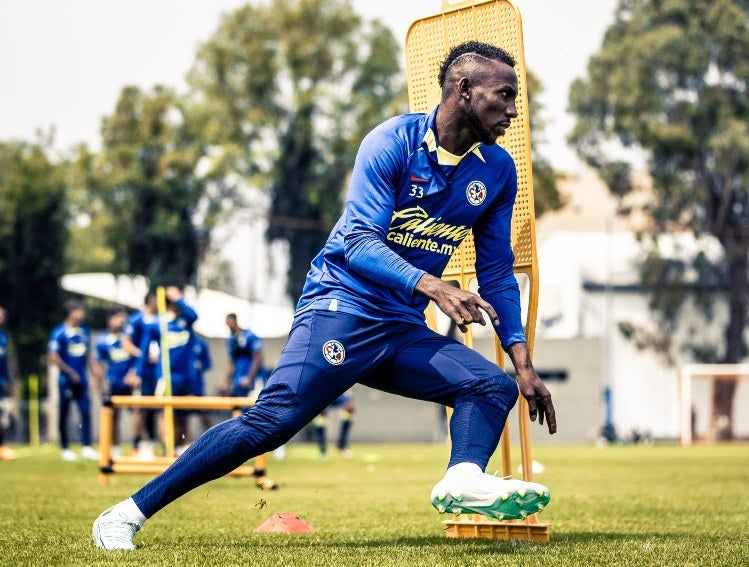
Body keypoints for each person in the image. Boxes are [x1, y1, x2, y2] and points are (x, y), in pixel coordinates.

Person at [93, 41, 557, 551]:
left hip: (400, 329)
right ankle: (125, 514)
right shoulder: (392, 142)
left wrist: (523, 362)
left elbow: (497, 272)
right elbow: (358, 243)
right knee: (271, 423)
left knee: (492, 387)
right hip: (341, 308)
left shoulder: (496, 170)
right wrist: (432, 285)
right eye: (505, 95)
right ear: (464, 90)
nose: (514, 109)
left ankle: (461, 478)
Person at [137, 286, 199, 454]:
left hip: (185, 376)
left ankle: (180, 447)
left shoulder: (185, 320)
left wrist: (179, 298)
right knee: (164, 412)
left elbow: (194, 315)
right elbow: (144, 350)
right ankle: (166, 447)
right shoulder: (158, 323)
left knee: (182, 414)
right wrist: (138, 373)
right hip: (165, 376)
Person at [48, 300, 100, 461]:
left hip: (82, 380)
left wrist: (96, 377)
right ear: (70, 312)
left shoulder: (84, 331)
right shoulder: (59, 332)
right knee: (64, 413)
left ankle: (86, 446)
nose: (82, 314)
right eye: (79, 310)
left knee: (85, 412)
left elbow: (89, 357)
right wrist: (70, 373)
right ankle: (65, 448)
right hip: (66, 381)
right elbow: (53, 356)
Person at [95, 307, 137, 458]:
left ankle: (139, 447)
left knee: (138, 413)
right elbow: (98, 362)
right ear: (109, 319)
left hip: (132, 383)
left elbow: (138, 358)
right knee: (113, 416)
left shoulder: (128, 338)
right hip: (114, 383)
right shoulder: (102, 341)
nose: (121, 321)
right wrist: (101, 382)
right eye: (118, 317)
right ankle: (115, 448)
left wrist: (133, 374)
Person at [123, 293, 159, 457]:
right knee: (139, 408)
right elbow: (126, 342)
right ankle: (138, 443)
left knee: (156, 408)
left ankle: (153, 443)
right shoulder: (137, 319)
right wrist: (142, 355)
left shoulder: (162, 319)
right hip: (140, 371)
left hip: (157, 372)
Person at [220, 314, 267, 398]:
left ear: (234, 320)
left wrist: (249, 378)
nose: (229, 327)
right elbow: (231, 363)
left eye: (229, 323)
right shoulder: (231, 340)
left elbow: (258, 358)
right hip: (238, 382)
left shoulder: (250, 336)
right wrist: (225, 382)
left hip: (253, 381)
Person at [312, 392, 355, 460]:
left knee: (349, 410)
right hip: (325, 390)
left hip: (340, 389)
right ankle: (323, 450)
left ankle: (341, 445)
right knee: (321, 416)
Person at [0, 306, 16, 461]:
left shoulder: (4, 336)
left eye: (3, 315)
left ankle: (2, 446)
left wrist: (10, 380)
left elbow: (9, 360)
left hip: (1, 382)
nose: (2, 317)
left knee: (2, 416)